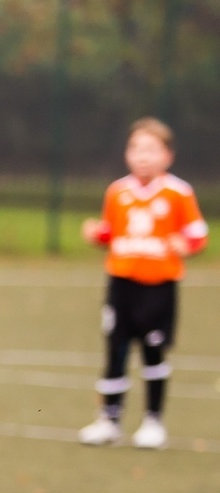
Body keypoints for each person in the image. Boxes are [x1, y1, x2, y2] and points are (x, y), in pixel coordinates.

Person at [79, 118, 207, 450]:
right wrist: (97, 234)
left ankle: (153, 420)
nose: (143, 156)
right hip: (121, 284)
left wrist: (186, 245)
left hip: (158, 286)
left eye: (151, 149)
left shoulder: (178, 193)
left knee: (153, 352)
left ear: (168, 156)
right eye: (136, 148)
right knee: (116, 351)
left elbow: (197, 233)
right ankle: (109, 419)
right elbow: (111, 232)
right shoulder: (118, 192)